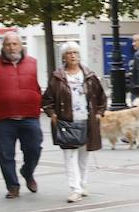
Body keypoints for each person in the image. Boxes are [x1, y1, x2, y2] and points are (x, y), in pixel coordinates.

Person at [0, 31, 43, 199]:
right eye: (8, 44)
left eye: (14, 44)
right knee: (5, 155)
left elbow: (39, 86)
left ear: (21, 45)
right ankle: (12, 186)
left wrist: (38, 103)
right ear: (3, 46)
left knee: (34, 149)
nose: (11, 47)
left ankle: (27, 172)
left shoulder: (33, 63)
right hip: (3, 119)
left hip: (30, 116)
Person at [41, 41, 106, 203]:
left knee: (84, 155)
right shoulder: (58, 77)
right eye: (69, 53)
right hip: (66, 121)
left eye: (75, 52)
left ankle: (82, 185)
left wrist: (99, 113)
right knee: (70, 155)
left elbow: (101, 96)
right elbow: (47, 99)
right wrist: (53, 114)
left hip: (87, 120)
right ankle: (74, 188)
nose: (72, 56)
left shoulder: (89, 75)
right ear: (64, 56)